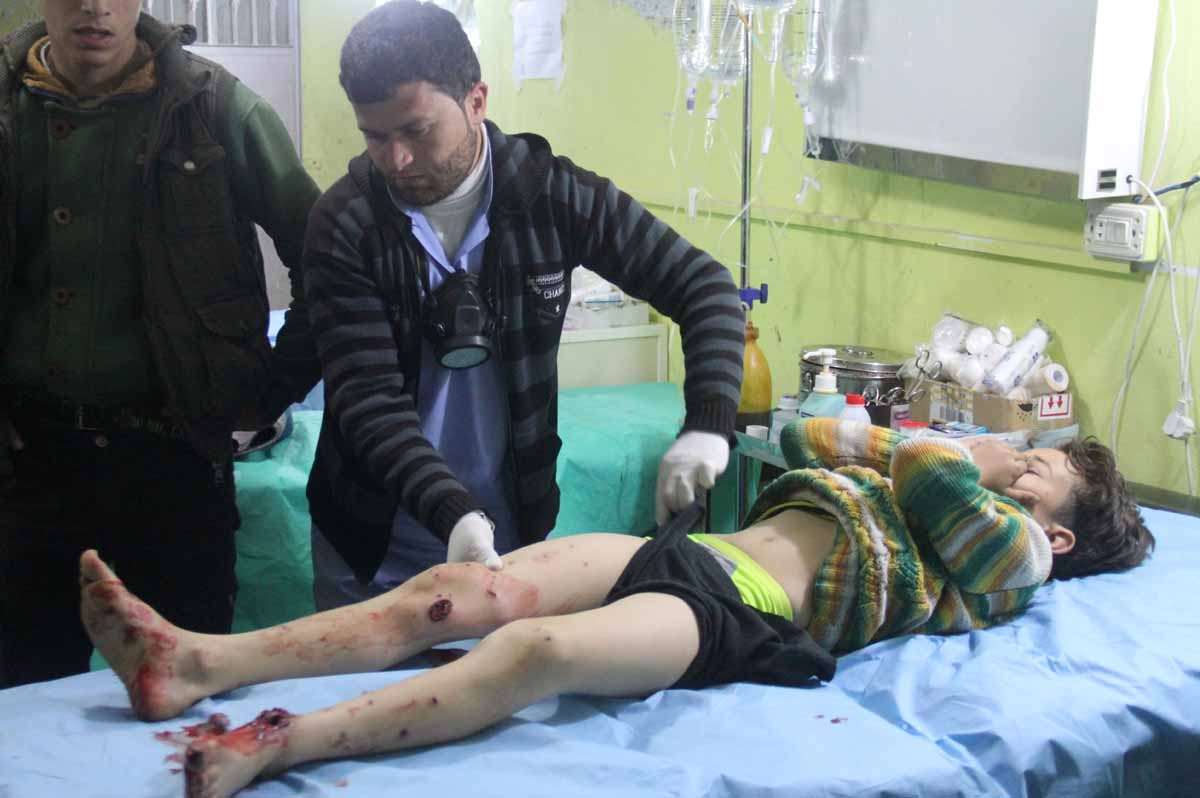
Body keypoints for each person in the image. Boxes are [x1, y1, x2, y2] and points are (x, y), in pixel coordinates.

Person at [79, 419, 1154, 798]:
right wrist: (929, 445)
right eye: (1033, 459)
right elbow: (815, 435)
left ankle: (277, 743)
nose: (1027, 467)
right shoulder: (956, 484)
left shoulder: (1015, 557)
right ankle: (202, 661)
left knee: (534, 648)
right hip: (689, 554)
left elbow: (920, 467)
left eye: (1047, 469)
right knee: (464, 592)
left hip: (741, 617)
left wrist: (971, 452)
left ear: (1063, 530)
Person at [300, 0, 746, 612]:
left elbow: (703, 284)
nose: (396, 160)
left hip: (509, 535)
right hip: (375, 546)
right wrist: (455, 515)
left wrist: (708, 424)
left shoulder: (551, 196)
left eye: (416, 131)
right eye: (375, 137)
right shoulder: (347, 224)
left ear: (476, 101)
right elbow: (369, 401)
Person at [0, 0, 321, 687]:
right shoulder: (5, 109)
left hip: (174, 468)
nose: (93, 6)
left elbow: (329, 265)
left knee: (184, 692)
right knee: (21, 696)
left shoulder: (218, 111)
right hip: (27, 469)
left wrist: (266, 390)